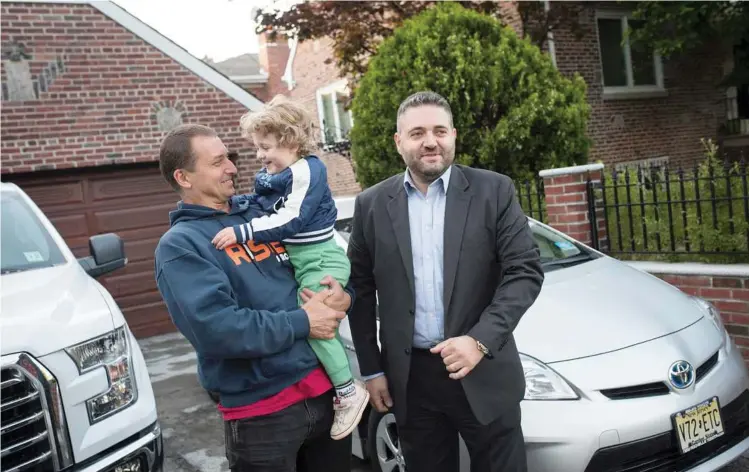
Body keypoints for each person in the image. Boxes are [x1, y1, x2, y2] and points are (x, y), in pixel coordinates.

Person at [347, 91, 545, 472]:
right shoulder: (371, 205)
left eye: (440, 130)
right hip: (411, 380)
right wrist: (372, 371)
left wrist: (479, 340)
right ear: (399, 141)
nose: (430, 141)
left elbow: (525, 271)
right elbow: (359, 291)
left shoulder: (494, 191)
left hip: (482, 369)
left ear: (453, 135)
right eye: (417, 132)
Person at [154, 123, 354, 471]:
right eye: (218, 162)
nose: (233, 167)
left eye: (229, 158)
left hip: (326, 397)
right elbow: (219, 329)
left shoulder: (261, 215)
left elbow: (316, 258)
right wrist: (304, 322)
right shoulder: (181, 246)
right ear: (184, 178)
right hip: (263, 416)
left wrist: (343, 296)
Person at [211, 95, 369, 440]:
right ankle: (341, 386)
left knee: (314, 322)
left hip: (320, 259)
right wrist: (238, 204)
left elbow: (291, 218)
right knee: (312, 318)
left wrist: (241, 231)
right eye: (257, 148)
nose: (260, 155)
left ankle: (347, 390)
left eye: (265, 146)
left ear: (291, 141)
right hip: (305, 260)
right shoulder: (277, 175)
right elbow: (262, 202)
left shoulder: (307, 170)